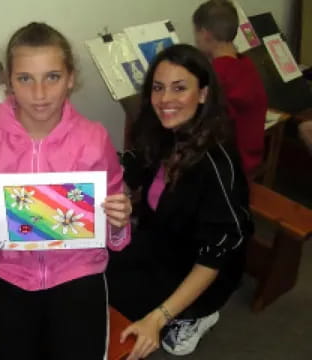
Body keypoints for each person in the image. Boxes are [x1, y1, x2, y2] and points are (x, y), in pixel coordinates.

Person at [0, 22, 132, 360]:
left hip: (80, 270)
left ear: (71, 78)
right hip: (12, 272)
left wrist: (119, 219)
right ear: (9, 82)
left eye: (52, 77)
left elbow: (112, 201)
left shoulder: (94, 139)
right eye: (25, 79)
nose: (40, 93)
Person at [106, 44, 253, 359]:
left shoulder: (217, 163)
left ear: (202, 94)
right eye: (158, 88)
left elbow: (215, 255)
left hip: (202, 266)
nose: (165, 100)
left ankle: (198, 314)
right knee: (96, 275)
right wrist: (119, 190)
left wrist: (157, 319)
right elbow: (136, 164)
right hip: (161, 239)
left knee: (120, 310)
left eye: (179, 88)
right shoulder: (162, 130)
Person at [193, 0, 267, 176]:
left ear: (205, 34)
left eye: (196, 33)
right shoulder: (245, 63)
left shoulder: (218, 74)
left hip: (232, 163)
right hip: (252, 154)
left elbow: (202, 120)